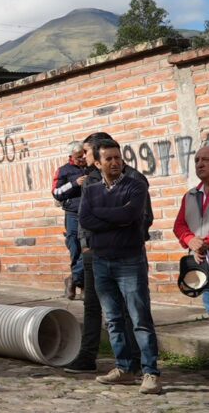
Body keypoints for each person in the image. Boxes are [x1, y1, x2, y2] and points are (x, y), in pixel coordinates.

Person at [79, 138, 161, 395]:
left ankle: (150, 372)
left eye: (118, 158)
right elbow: (85, 220)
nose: (115, 162)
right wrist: (115, 218)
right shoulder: (91, 190)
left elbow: (131, 216)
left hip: (130, 260)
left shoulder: (135, 186)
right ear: (98, 163)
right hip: (102, 261)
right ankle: (124, 368)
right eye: (109, 159)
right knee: (113, 319)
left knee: (139, 318)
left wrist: (102, 215)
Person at [64, 131, 143, 374]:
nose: (83, 156)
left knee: (129, 308)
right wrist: (87, 244)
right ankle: (88, 356)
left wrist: (111, 227)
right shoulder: (90, 181)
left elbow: (139, 218)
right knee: (93, 306)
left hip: (126, 252)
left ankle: (136, 362)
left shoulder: (134, 179)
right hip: (94, 251)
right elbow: (85, 219)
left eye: (86, 151)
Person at [172, 145, 209, 314]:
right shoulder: (190, 195)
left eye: (205, 160)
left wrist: (202, 243)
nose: (199, 164)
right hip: (203, 265)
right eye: (197, 160)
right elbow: (179, 225)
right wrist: (189, 240)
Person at [52, 141, 88, 299]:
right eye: (79, 156)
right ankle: (81, 283)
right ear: (72, 156)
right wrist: (74, 183)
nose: (82, 159)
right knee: (75, 249)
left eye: (84, 155)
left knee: (87, 248)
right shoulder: (63, 171)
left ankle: (74, 280)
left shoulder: (92, 167)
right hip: (72, 214)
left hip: (89, 213)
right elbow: (56, 192)